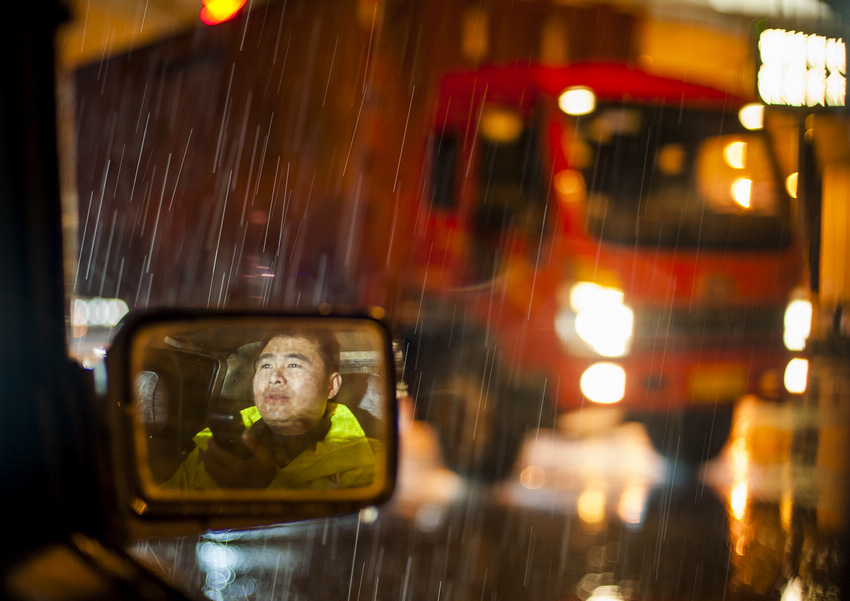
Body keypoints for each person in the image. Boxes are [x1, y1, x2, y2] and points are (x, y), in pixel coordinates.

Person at [163, 327, 379, 490]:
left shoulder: (371, 462)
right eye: (266, 365)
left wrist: (265, 488)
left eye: (294, 365)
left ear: (331, 386)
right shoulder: (212, 445)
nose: (274, 377)